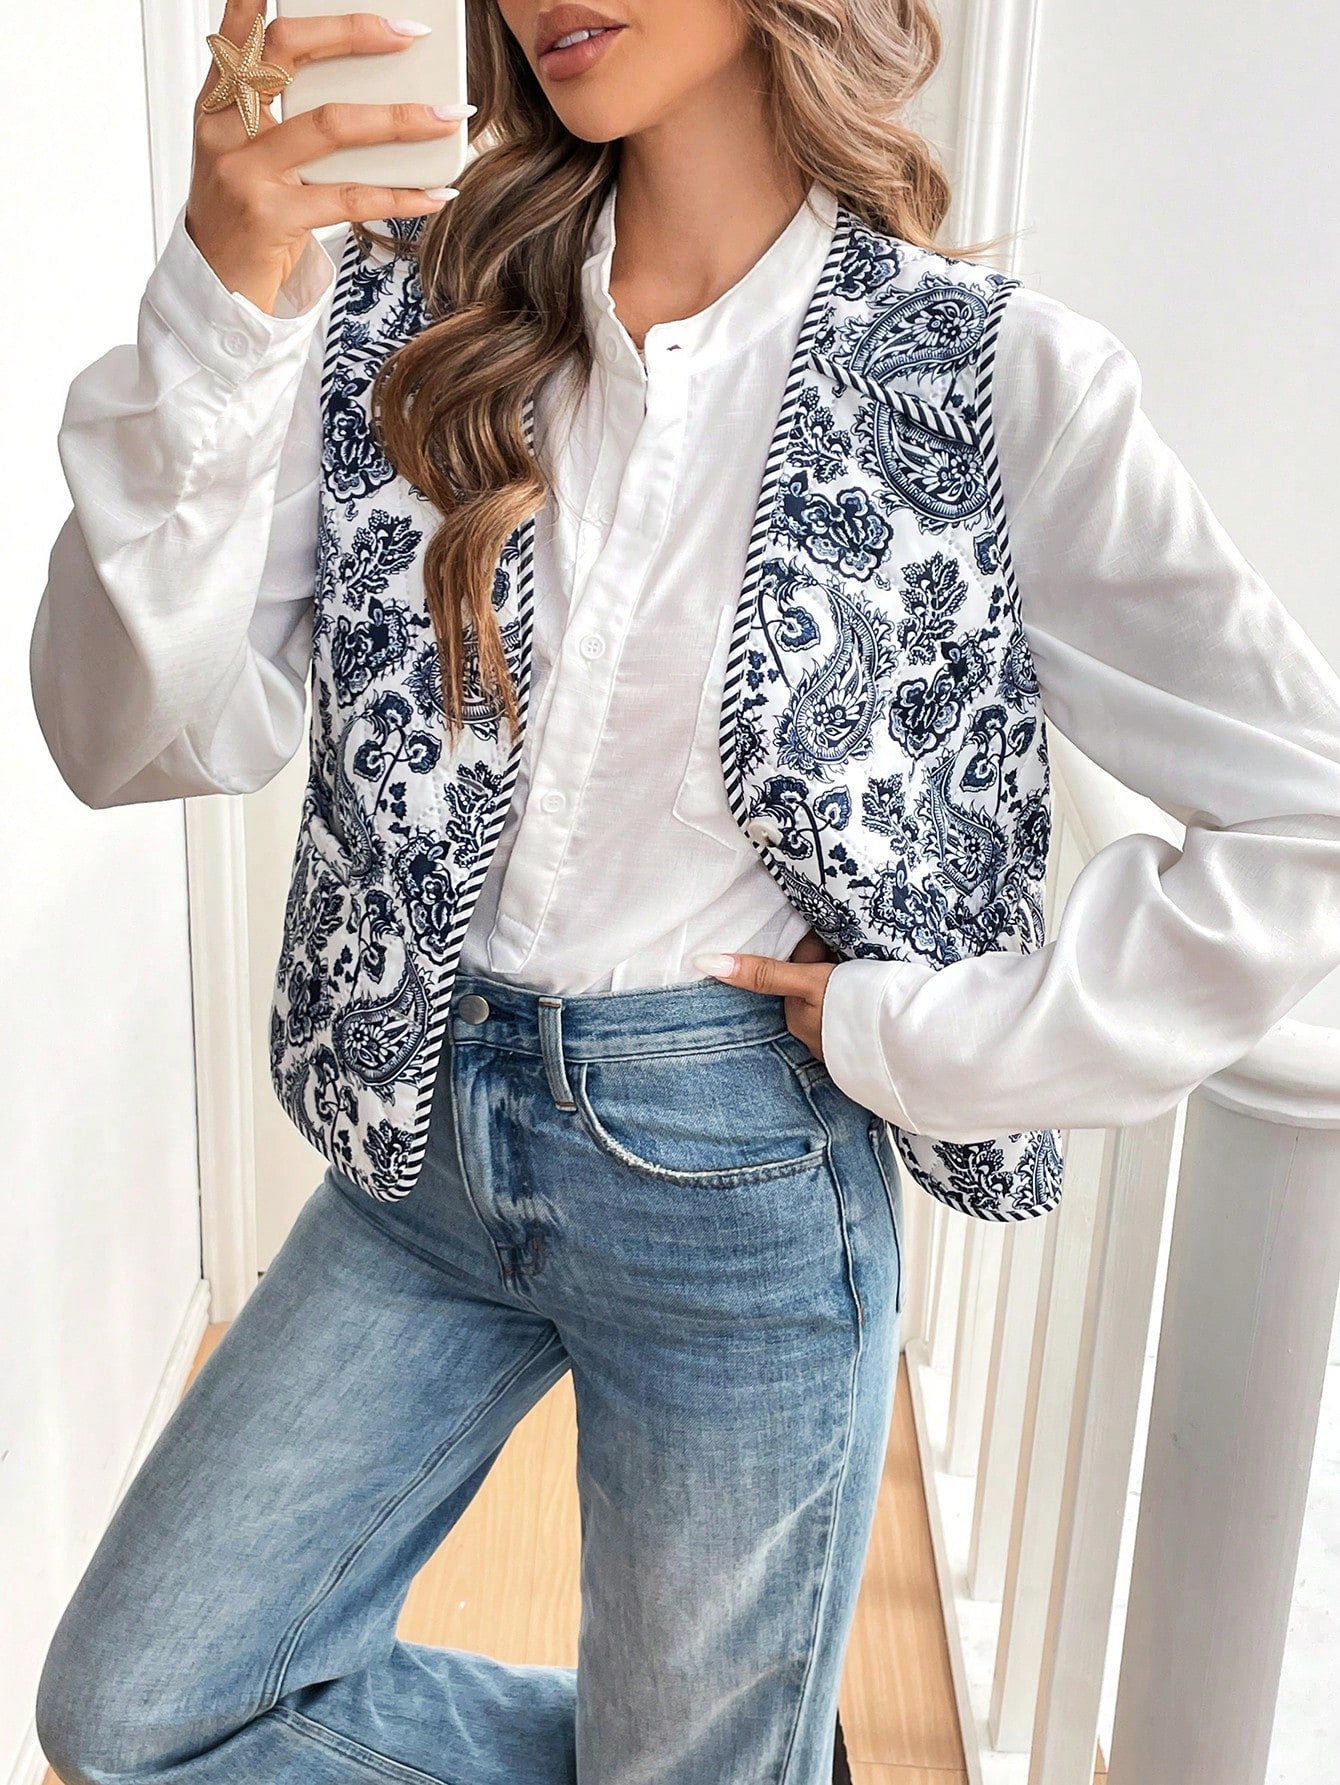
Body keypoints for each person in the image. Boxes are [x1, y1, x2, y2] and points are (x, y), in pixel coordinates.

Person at [28, 2, 1340, 1782]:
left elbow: (1302, 811)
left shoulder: (988, 377)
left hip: (738, 1174)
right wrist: (222, 291)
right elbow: (129, 734)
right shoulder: (398, 309)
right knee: (137, 1709)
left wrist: (937, 1032)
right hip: (424, 1142)